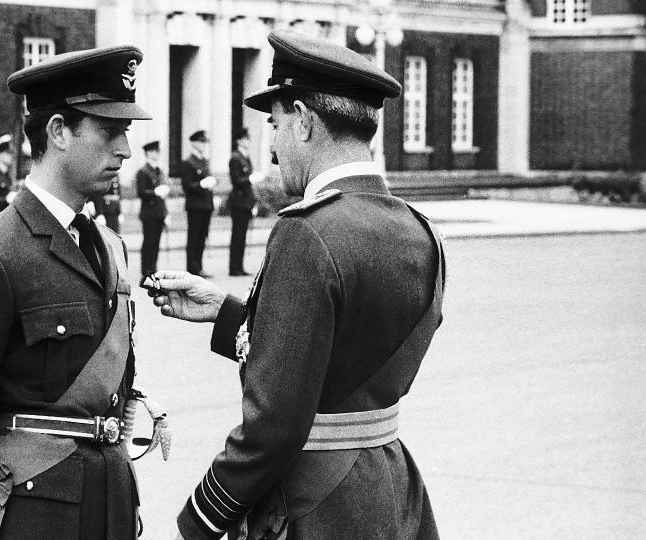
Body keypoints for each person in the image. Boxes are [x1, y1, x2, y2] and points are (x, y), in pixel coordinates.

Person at [150, 30, 443, 539]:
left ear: (305, 121)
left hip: (315, 502)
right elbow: (344, 354)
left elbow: (274, 424)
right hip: (390, 488)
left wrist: (200, 518)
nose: (273, 142)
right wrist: (226, 312)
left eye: (277, 122)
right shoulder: (420, 229)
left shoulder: (306, 231)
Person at [0, 44, 151, 539]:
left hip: (110, 503)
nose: (125, 150)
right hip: (35, 513)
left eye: (126, 132)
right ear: (59, 132)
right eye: (110, 131)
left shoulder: (109, 245)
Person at [180, 129, 215, 278]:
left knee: (202, 236)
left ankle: (199, 266)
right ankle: (193, 267)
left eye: (204, 142)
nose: (203, 145)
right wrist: (201, 184)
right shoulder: (188, 162)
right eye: (201, 142)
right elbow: (187, 185)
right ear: (193, 143)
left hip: (206, 204)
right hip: (195, 205)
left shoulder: (204, 160)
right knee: (194, 237)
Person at [226, 127, 257, 276]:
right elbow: (236, 180)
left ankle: (239, 266)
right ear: (239, 141)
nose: (248, 141)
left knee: (242, 236)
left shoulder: (246, 157)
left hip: (246, 202)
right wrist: (248, 179)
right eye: (245, 139)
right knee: (237, 236)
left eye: (248, 139)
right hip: (238, 202)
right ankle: (234, 267)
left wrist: (253, 202)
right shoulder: (235, 158)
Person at [135, 140, 168, 276]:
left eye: (158, 151)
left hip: (159, 211)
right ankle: (146, 268)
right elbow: (141, 192)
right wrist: (154, 192)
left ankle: (153, 267)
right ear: (148, 153)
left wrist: (166, 212)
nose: (157, 154)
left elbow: (163, 196)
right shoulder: (143, 172)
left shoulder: (158, 170)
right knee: (149, 241)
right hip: (149, 212)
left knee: (156, 242)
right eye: (154, 151)